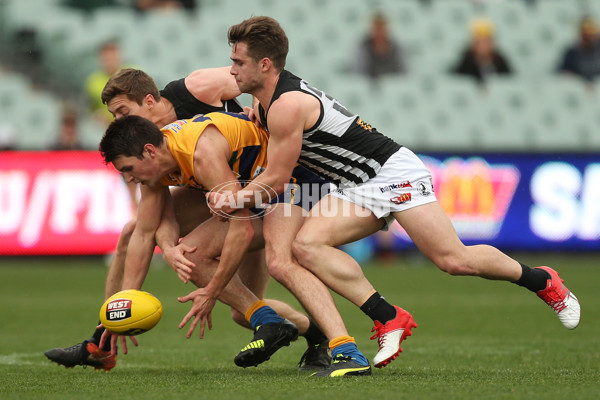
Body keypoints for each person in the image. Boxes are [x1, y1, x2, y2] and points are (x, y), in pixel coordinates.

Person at [207, 16, 581, 377]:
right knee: (306, 245)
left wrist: (232, 199)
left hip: (391, 172)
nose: (233, 70)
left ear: (266, 64)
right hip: (355, 186)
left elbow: (276, 177)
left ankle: (542, 281)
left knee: (453, 260)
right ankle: (388, 317)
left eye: (238, 61)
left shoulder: (287, 105)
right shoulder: (265, 102)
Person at [44, 68, 330, 372]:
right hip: (231, 188)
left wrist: (263, 110)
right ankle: (106, 334)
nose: (120, 122)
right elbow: (150, 228)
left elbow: (258, 76)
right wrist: (166, 249)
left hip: (275, 181)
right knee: (141, 232)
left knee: (254, 266)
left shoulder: (193, 90)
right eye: (114, 117)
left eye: (123, 112)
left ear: (150, 101)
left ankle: (332, 336)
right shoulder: (146, 148)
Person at [450, 18, 512, 85]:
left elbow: (509, 80)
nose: (483, 46)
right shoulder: (465, 64)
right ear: (473, 44)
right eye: (480, 42)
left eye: (486, 41)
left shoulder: (500, 63)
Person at [85, 40, 129, 126]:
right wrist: (96, 116)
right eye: (106, 58)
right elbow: (90, 110)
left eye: (112, 57)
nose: (109, 61)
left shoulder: (134, 75)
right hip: (106, 130)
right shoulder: (93, 82)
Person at [353, 12, 406, 81]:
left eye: (382, 26)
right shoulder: (364, 47)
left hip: (393, 85)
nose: (379, 30)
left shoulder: (395, 46)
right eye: (377, 26)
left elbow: (403, 70)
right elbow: (359, 71)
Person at [557, 16, 600, 83]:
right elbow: (563, 73)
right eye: (585, 34)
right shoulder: (572, 54)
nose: (589, 37)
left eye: (591, 33)